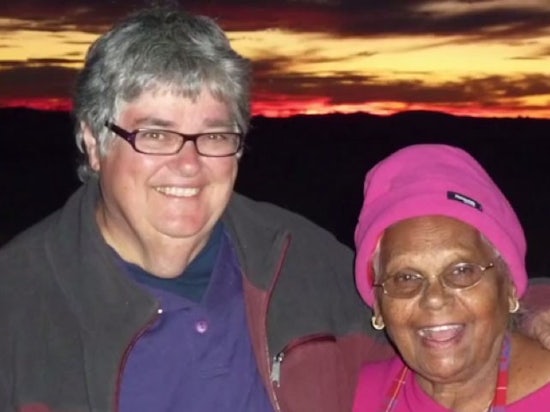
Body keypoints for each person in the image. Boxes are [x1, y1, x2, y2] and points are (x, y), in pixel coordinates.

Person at [0, 6, 549, 412]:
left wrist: (533, 308)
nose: (188, 165)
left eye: (214, 134)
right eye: (157, 134)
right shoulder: (17, 304)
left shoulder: (297, 259)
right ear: (94, 144)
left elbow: (428, 297)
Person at [352, 144, 550, 411]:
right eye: (406, 277)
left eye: (461, 271)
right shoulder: (348, 392)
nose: (434, 299)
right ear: (378, 305)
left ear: (510, 287)